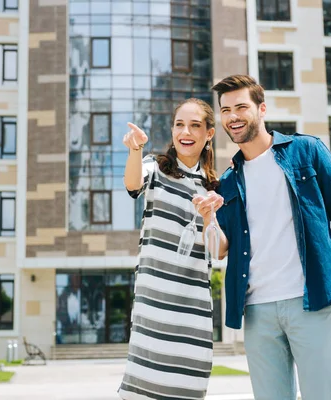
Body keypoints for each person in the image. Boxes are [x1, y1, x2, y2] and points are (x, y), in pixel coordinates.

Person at [193, 75, 331, 400]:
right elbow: (219, 250)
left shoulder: (306, 151)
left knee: (328, 396)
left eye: (241, 107)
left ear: (261, 109)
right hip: (257, 310)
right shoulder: (228, 181)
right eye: (226, 110)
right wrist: (208, 218)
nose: (233, 116)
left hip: (312, 301)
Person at [118, 98, 219, 400]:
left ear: (209, 134)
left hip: (193, 310)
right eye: (179, 124)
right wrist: (135, 150)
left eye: (195, 125)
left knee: (186, 390)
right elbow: (133, 185)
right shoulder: (156, 167)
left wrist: (210, 218)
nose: (185, 132)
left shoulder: (215, 187)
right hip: (154, 305)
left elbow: (218, 249)